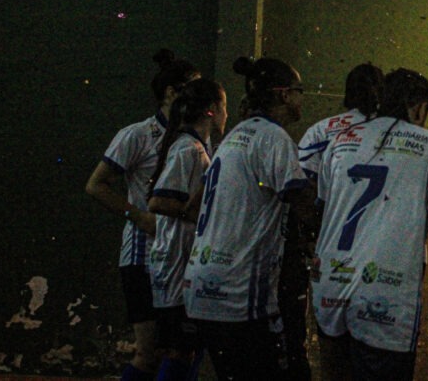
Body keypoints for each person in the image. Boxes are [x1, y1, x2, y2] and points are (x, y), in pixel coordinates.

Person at [312, 68, 428, 381]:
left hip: (330, 282)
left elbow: (322, 207)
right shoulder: (427, 143)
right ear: (419, 106)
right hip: (385, 290)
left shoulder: (341, 139)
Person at [183, 57, 310, 380]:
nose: (301, 99)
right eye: (298, 91)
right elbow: (301, 201)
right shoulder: (273, 138)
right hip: (239, 293)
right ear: (282, 95)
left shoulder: (235, 138)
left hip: (204, 285)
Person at [85, 49, 199, 381]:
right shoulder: (138, 134)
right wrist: (139, 217)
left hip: (180, 255)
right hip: (144, 254)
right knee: (148, 353)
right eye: (192, 88)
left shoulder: (193, 136)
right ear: (171, 93)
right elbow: (95, 184)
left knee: (182, 349)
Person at [279, 62, 384, 379]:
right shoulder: (395, 132)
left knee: (332, 359)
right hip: (378, 260)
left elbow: (300, 191)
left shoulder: (322, 130)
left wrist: (313, 236)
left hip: (331, 257)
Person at [146, 78, 227, 381]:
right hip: (175, 265)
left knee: (188, 348)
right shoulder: (189, 151)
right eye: (224, 107)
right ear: (211, 111)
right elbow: (156, 201)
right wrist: (191, 211)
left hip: (183, 264)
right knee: (180, 349)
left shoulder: (198, 148)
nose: (226, 114)